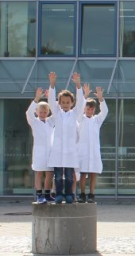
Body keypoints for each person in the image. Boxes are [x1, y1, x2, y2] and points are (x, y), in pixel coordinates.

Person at [47, 72, 86, 204]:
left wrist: (78, 85)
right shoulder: (57, 113)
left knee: (69, 176)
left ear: (72, 103)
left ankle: (69, 194)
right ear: (59, 103)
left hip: (70, 150)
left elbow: (81, 103)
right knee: (58, 176)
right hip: (58, 150)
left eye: (67, 102)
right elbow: (51, 102)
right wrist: (52, 85)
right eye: (62, 102)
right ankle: (59, 194)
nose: (65, 104)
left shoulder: (74, 114)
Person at [77, 86, 108, 204]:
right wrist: (84, 96)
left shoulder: (96, 120)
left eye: (91, 109)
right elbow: (78, 109)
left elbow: (104, 111)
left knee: (93, 173)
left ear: (94, 110)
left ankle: (91, 193)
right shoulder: (80, 119)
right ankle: (82, 194)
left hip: (94, 151)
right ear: (85, 109)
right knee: (83, 173)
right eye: (87, 109)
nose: (89, 111)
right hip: (83, 151)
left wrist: (101, 99)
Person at [26, 87, 54, 204]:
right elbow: (28, 112)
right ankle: (39, 194)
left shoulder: (51, 121)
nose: (43, 114)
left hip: (50, 151)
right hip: (39, 152)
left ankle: (47, 194)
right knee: (39, 172)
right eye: (40, 112)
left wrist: (50, 99)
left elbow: (57, 112)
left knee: (49, 173)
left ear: (48, 112)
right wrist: (37, 99)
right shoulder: (34, 121)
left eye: (45, 112)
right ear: (37, 112)